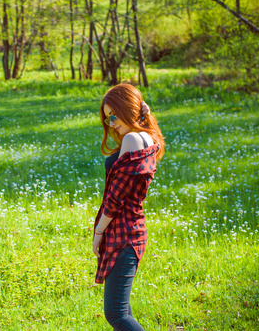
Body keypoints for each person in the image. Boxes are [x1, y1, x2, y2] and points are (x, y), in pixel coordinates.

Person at [92, 84, 165, 331]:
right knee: (123, 310)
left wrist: (98, 232)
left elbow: (116, 198)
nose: (111, 122)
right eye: (106, 118)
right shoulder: (148, 137)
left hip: (123, 234)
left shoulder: (133, 138)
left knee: (117, 314)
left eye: (114, 115)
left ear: (127, 109)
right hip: (131, 230)